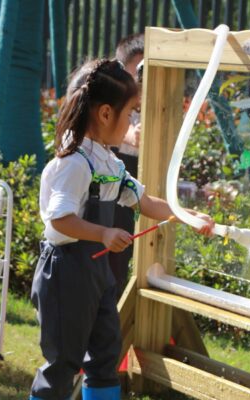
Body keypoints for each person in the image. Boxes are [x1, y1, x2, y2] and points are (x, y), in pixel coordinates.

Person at [29, 58, 214, 400]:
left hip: (96, 271)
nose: (132, 121)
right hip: (66, 270)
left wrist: (188, 216)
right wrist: (102, 233)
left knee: (105, 353)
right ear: (103, 114)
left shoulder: (109, 162)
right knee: (63, 361)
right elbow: (59, 220)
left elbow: (145, 202)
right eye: (130, 112)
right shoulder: (73, 163)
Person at [109, 33, 144, 299]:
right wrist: (130, 135)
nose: (142, 83)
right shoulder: (113, 95)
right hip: (115, 174)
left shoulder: (154, 103)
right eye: (139, 73)